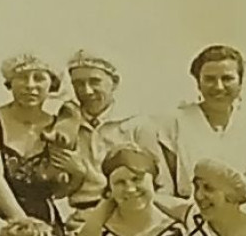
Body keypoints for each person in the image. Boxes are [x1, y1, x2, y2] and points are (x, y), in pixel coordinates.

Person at [160, 45, 246, 217]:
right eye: (209, 79)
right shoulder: (175, 123)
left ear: (240, 82)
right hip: (192, 220)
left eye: (227, 78)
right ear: (198, 82)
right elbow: (165, 189)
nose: (219, 87)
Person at [52, 49, 169, 215]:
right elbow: (57, 189)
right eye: (78, 83)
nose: (87, 91)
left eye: (95, 82)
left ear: (114, 83)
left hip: (128, 213)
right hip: (78, 216)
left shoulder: (135, 124)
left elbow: (161, 184)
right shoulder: (66, 124)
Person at [0, 54, 77, 236]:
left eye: (39, 78)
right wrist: (23, 222)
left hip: (43, 219)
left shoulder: (56, 126)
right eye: (22, 78)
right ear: (10, 82)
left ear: (51, 84)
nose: (30, 85)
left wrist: (77, 173)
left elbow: (59, 191)